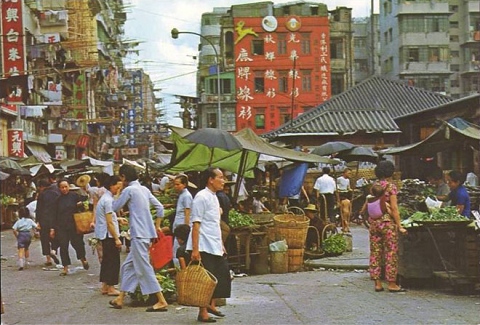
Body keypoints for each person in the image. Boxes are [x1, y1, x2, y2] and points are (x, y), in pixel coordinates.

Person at [109, 164, 168, 312]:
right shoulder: (144, 189)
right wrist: (157, 225)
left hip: (138, 234)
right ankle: (120, 298)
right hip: (146, 234)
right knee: (128, 266)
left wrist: (118, 193)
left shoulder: (129, 190)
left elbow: (115, 207)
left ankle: (161, 300)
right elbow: (160, 208)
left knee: (144, 268)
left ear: (123, 177)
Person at [187, 167, 231, 323]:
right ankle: (203, 312)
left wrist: (221, 244)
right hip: (204, 244)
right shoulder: (201, 197)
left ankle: (212, 305)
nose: (223, 180)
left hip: (215, 243)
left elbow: (214, 224)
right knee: (205, 280)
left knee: (221, 276)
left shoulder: (214, 197)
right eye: (220, 177)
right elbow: (196, 224)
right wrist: (195, 249)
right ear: (210, 179)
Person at [368, 161, 407, 293]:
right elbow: (394, 208)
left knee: (375, 252)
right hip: (387, 223)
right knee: (391, 252)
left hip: (374, 223)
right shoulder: (391, 187)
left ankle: (377, 283)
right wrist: (399, 225)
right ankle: (391, 283)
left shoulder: (374, 185)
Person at [95, 175, 128, 296]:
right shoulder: (108, 201)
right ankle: (111, 286)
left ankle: (105, 285)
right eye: (117, 187)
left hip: (104, 234)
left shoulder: (105, 198)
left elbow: (108, 218)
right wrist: (117, 238)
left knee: (107, 261)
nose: (118, 190)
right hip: (108, 235)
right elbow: (109, 222)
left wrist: (118, 219)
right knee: (113, 261)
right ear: (111, 186)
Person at [52, 179, 89, 276]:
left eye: (66, 187)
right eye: (62, 187)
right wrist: (53, 228)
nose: (64, 189)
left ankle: (83, 259)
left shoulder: (75, 196)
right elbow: (54, 215)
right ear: (59, 188)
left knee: (78, 244)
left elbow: (86, 200)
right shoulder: (57, 200)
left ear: (69, 187)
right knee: (63, 246)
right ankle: (65, 267)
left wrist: (80, 203)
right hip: (62, 226)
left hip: (74, 225)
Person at [35, 178, 60, 266]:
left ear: (41, 187)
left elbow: (38, 209)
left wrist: (37, 221)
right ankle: (53, 250)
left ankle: (48, 259)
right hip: (54, 219)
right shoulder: (56, 193)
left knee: (44, 239)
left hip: (43, 219)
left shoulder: (41, 195)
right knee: (54, 236)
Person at [171, 174, 193, 267]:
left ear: (184, 184)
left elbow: (187, 213)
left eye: (178, 184)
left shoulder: (186, 196)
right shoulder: (182, 195)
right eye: (175, 184)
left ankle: (180, 272)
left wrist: (185, 228)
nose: (175, 187)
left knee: (178, 252)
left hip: (182, 229)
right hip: (179, 227)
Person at [336, 168, 353, 233]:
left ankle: (345, 224)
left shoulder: (348, 180)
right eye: (349, 173)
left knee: (347, 211)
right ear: (344, 173)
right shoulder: (339, 179)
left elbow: (348, 188)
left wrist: (351, 190)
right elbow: (336, 188)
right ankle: (346, 225)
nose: (350, 174)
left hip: (346, 194)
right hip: (341, 194)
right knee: (345, 211)